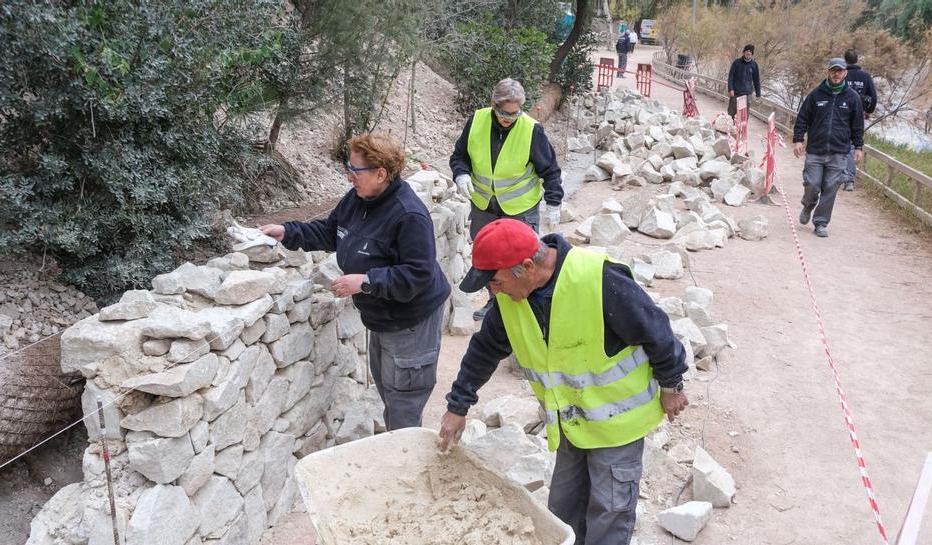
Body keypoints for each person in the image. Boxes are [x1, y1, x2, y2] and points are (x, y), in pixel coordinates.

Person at [436, 219, 690, 545]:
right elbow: (484, 349)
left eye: (495, 282)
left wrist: (672, 387)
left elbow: (657, 332)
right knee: (562, 511)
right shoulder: (509, 300)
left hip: (618, 426)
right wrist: (458, 405)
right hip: (571, 424)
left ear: (526, 266)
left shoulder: (597, 280)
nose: (493, 291)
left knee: (610, 512)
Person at [259, 133, 450, 430]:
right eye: (348, 168)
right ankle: (396, 454)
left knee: (404, 400)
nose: (349, 177)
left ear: (381, 174)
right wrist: (287, 232)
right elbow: (330, 231)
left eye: (355, 171)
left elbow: (418, 274)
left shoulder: (408, 215)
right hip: (381, 316)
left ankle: (404, 466)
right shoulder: (359, 199)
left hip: (411, 321)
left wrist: (366, 281)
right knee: (389, 390)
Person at [450, 78, 563, 320]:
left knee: (524, 260)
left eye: (514, 113)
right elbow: (459, 156)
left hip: (520, 208)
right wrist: (460, 173)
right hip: (484, 206)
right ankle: (495, 306)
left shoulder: (532, 130)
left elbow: (550, 170)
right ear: (494, 105)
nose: (508, 118)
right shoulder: (477, 121)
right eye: (503, 112)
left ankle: (529, 309)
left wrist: (554, 202)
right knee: (490, 259)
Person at [792, 58, 865, 238]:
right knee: (812, 184)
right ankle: (808, 204)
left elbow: (858, 125)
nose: (836, 74)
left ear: (845, 73)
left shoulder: (853, 98)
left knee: (830, 188)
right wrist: (798, 140)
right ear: (828, 72)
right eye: (833, 70)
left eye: (839, 71)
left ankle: (821, 222)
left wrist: (858, 147)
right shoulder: (816, 95)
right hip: (816, 150)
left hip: (839, 152)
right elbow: (802, 118)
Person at [841, 49, 877, 191]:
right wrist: (868, 111)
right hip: (858, 116)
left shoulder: (841, 74)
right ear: (857, 60)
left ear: (845, 60)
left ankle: (839, 175)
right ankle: (849, 179)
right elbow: (873, 97)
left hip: (841, 113)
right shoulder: (865, 76)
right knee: (852, 145)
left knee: (838, 143)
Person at [727, 44, 761, 119]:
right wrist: (730, 89)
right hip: (735, 93)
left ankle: (742, 130)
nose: (748, 53)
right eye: (747, 51)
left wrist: (758, 93)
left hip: (747, 95)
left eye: (750, 52)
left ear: (752, 54)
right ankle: (729, 129)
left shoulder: (754, 65)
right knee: (731, 113)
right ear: (743, 52)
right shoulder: (736, 63)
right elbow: (731, 77)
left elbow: (756, 79)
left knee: (744, 116)